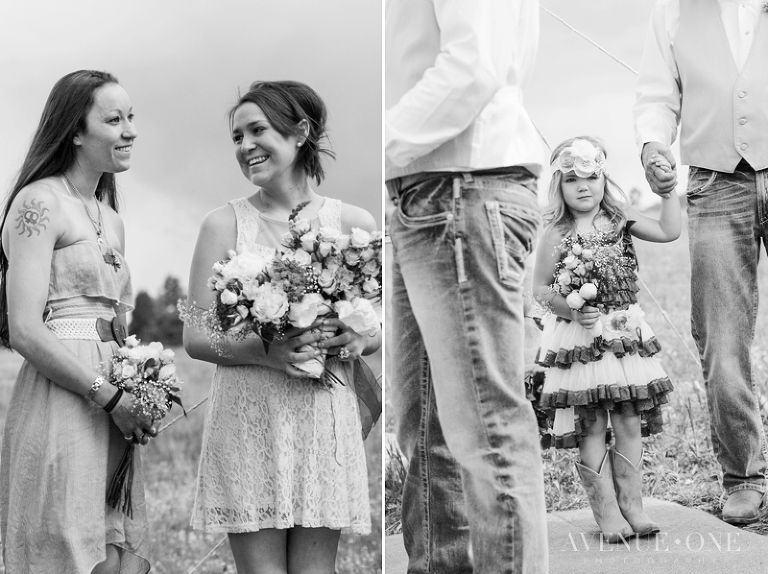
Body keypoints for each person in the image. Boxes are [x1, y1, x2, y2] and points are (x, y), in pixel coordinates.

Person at [183, 80, 381, 574]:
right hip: (249, 417)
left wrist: (356, 336)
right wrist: (265, 352)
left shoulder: (352, 223)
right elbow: (196, 334)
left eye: (257, 130)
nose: (245, 146)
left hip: (322, 417)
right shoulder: (221, 225)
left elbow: (376, 329)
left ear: (300, 132)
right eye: (236, 137)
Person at [386, 0, 548, 571]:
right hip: (421, 191)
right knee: (425, 426)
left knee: (486, 429)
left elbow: (473, 64)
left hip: (462, 186)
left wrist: (381, 141)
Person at [0, 70, 154, 573]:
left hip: (118, 402)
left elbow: (117, 324)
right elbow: (24, 327)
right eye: (114, 119)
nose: (130, 129)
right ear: (75, 131)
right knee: (69, 548)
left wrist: (142, 387)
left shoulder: (112, 218)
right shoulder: (39, 203)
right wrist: (107, 394)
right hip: (67, 397)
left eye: (132, 117)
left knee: (117, 554)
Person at [634, 0, 768, 524]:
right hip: (715, 183)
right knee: (721, 334)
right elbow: (655, 94)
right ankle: (744, 477)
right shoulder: (672, 9)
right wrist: (651, 146)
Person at [533, 136, 679, 542]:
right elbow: (541, 289)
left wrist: (667, 193)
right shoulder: (557, 232)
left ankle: (633, 505)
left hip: (624, 333)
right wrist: (572, 309)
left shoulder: (620, 218)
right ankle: (607, 512)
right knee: (592, 423)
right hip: (581, 338)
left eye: (592, 177)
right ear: (558, 186)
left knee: (629, 420)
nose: (584, 187)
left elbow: (669, 231)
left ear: (603, 178)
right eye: (572, 180)